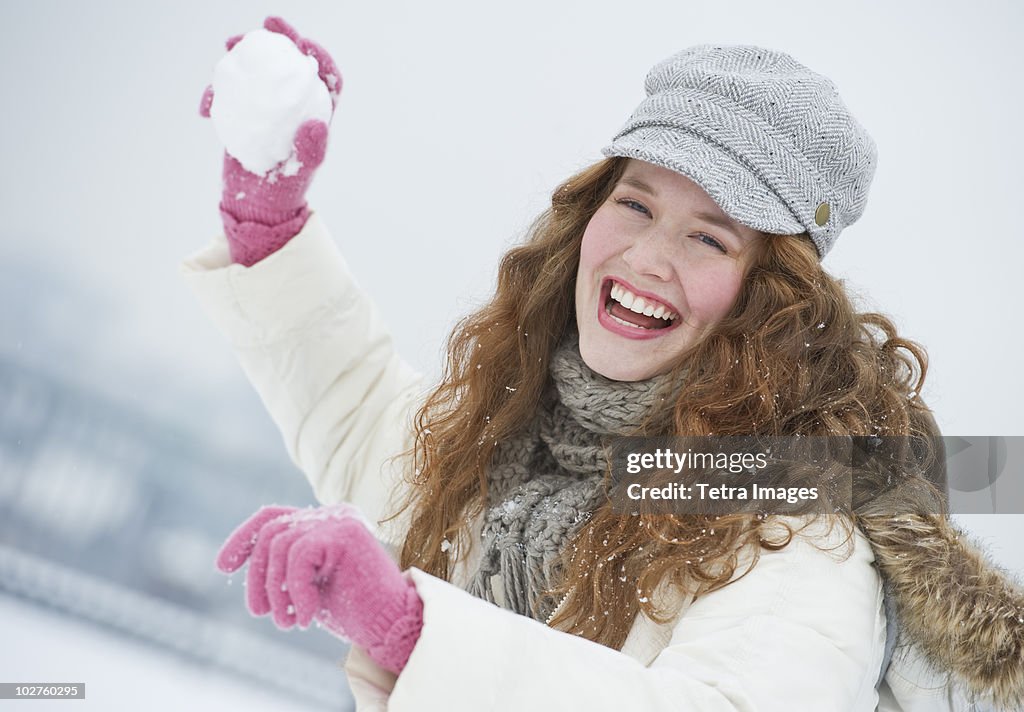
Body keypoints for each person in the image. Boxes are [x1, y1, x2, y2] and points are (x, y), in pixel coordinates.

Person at [184, 17, 1024, 712]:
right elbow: (367, 420)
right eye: (635, 203)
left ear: (771, 298)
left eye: (708, 236)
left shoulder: (795, 527)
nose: (648, 256)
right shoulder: (515, 436)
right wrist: (268, 225)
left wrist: (415, 631)